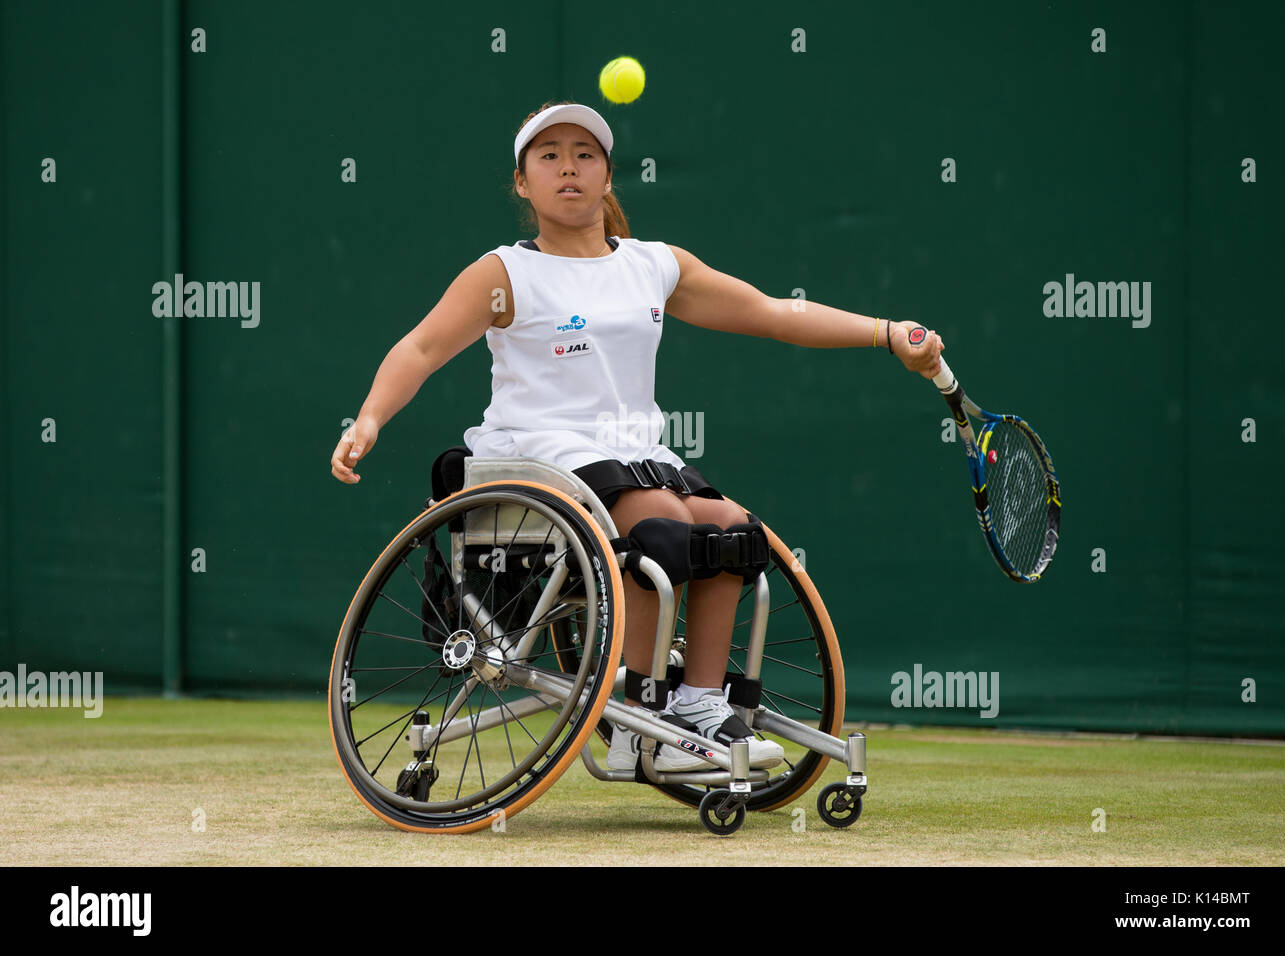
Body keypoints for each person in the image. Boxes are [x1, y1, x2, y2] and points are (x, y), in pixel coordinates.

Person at [330, 101, 944, 773]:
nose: (569, 167)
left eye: (585, 154)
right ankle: (639, 719)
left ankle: (700, 704)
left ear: (608, 176)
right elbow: (420, 347)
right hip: (538, 458)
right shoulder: (505, 273)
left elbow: (772, 313)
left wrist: (886, 333)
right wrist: (369, 417)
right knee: (664, 528)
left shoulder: (654, 266)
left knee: (735, 532)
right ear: (522, 182)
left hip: (636, 457)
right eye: (550, 155)